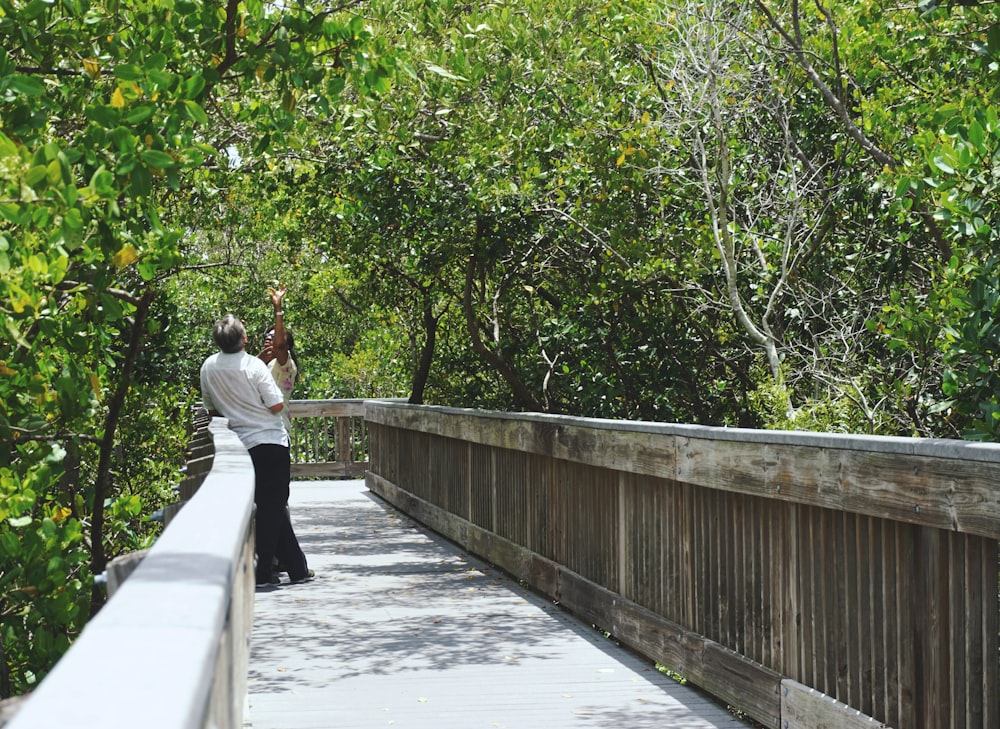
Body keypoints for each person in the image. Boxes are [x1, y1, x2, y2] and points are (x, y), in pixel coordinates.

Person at [200, 312, 313, 587]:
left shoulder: (208, 367)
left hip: (239, 446)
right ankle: (263, 574)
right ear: (244, 339)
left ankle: (298, 569)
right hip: (271, 441)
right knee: (271, 507)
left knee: (269, 507)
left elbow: (212, 409)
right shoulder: (254, 366)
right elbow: (275, 405)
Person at [257, 285, 298, 433]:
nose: (269, 339)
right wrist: (258, 360)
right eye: (267, 336)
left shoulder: (285, 364)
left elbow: (279, 347)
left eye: (273, 337)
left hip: (276, 432)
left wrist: (278, 309)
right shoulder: (259, 363)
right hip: (256, 432)